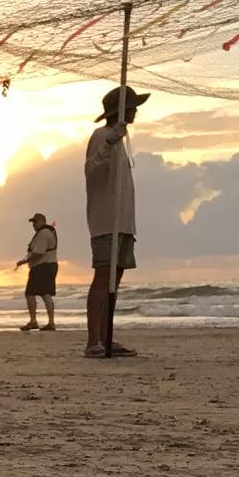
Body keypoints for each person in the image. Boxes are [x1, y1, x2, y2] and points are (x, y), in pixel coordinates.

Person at [85, 84, 144, 359]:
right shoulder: (102, 136)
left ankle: (107, 337)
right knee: (102, 277)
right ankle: (93, 340)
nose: (135, 112)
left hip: (123, 222)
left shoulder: (121, 140)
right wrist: (108, 143)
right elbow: (93, 171)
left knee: (114, 280)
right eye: (131, 107)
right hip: (106, 220)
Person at [17, 212, 59, 332]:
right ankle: (50, 322)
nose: (34, 225)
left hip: (42, 267)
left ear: (42, 221)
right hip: (48, 266)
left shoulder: (43, 233)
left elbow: (38, 253)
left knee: (30, 293)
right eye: (33, 222)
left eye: (36, 222)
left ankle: (34, 321)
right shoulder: (48, 232)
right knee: (46, 294)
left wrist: (24, 261)